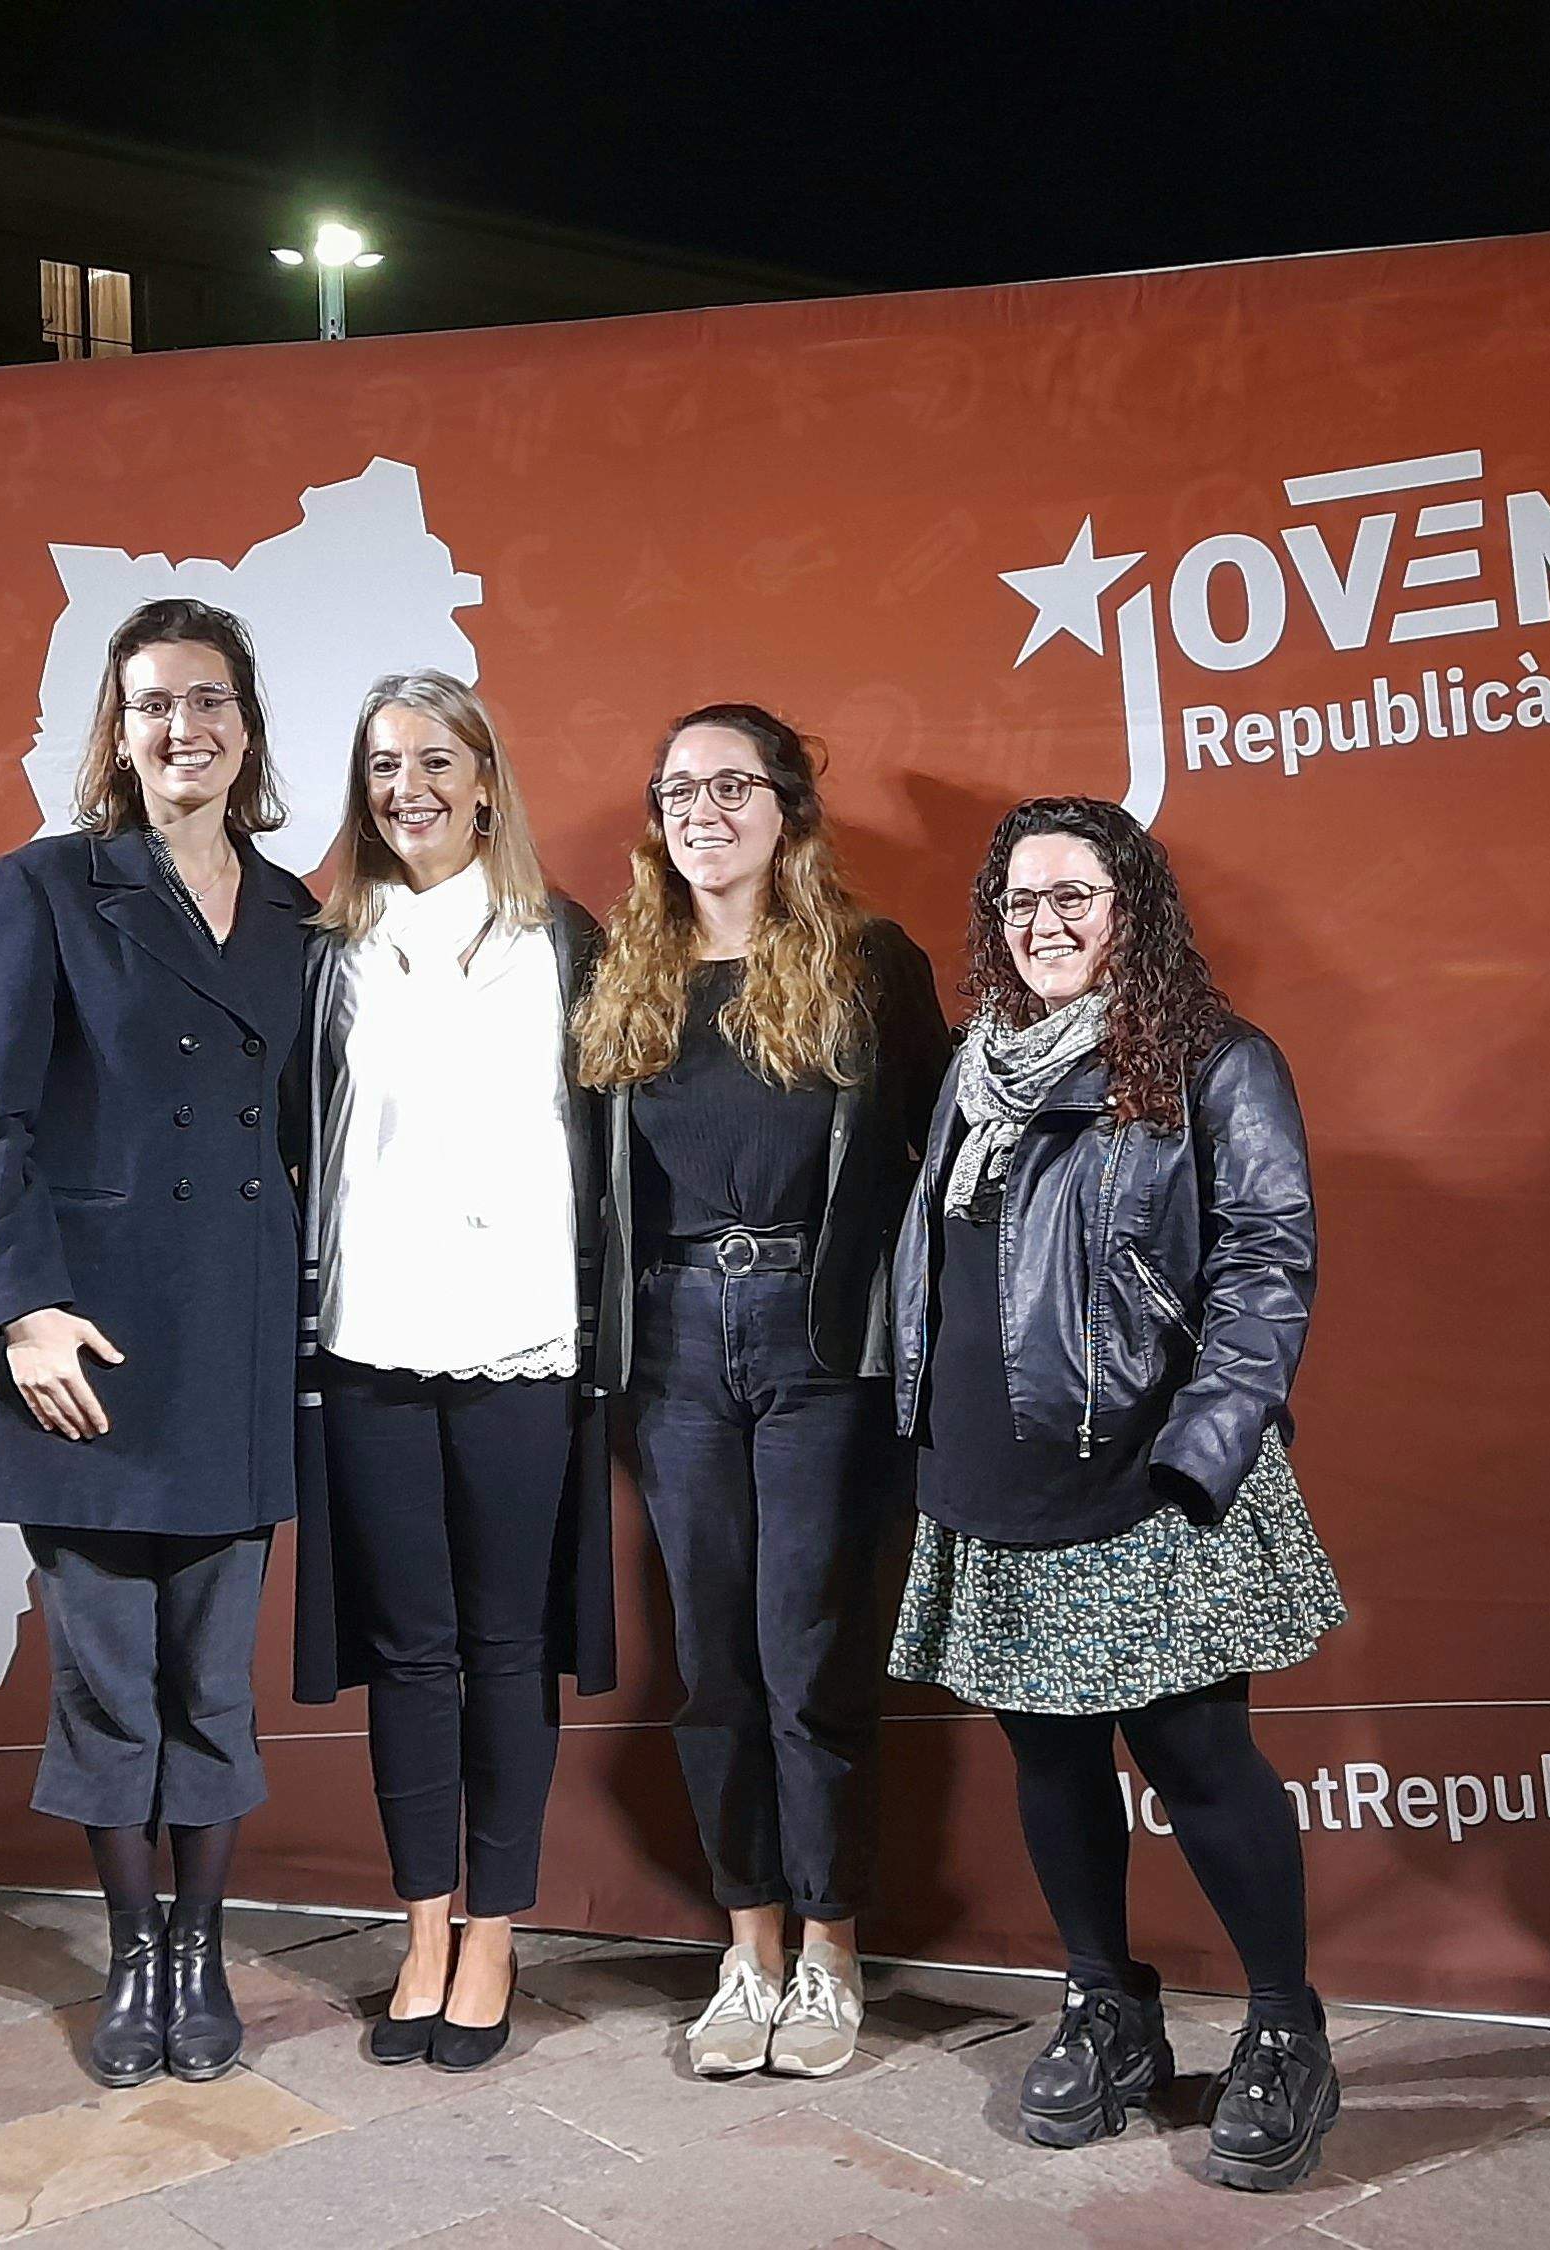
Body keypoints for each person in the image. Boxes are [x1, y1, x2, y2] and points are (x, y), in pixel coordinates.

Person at [886, 795, 1344, 2193]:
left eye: (1076, 894)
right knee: (1050, 1761)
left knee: (1201, 1764)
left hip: (1148, 1482)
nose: (1048, 924)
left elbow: (1269, 1264)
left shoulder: (1215, 1059)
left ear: (1131, 906)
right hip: (991, 1474)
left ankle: (1284, 2027)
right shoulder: (979, 1063)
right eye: (1022, 902)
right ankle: (1108, 2003)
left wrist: (1201, 1452)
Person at [0, 596, 313, 2090]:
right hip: (83, 1341)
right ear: (119, 730)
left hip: (229, 1335)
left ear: (246, 726)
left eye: (210, 700)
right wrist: (22, 1311)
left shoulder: (296, 913)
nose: (185, 728)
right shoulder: (43, 886)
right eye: (154, 703)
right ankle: (134, 1948)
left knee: (213, 1681)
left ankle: (207, 1947)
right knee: (109, 1678)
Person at [570, 704, 947, 2081]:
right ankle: (751, 1948)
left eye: (733, 784)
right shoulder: (624, 972)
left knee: (809, 1656)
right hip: (671, 1347)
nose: (702, 810)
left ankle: (833, 1949)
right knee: (713, 1665)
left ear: (789, 806)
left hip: (818, 1344)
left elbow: (941, 1165)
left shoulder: (868, 965)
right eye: (679, 788)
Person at [287, 672, 613, 2075]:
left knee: (503, 1645)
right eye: (378, 765)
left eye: (432, 758)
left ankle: (496, 1929)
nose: (405, 785)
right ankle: (421, 1924)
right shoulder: (325, 947)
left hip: (524, 1343)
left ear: (487, 774)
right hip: (369, 1341)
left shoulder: (569, 941)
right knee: (407, 1652)